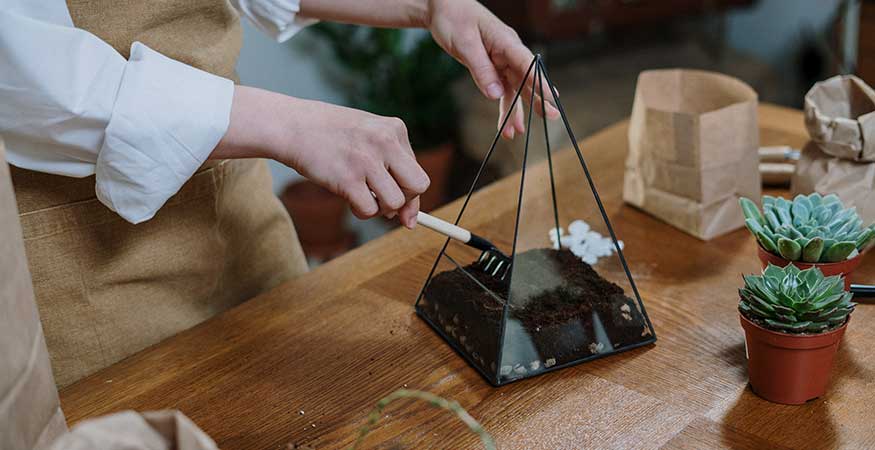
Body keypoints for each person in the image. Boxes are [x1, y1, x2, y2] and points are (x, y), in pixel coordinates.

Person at [0, 0, 558, 387]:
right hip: (81, 263)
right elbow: (22, 67)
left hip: (239, 218)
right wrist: (287, 125)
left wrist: (430, 7)